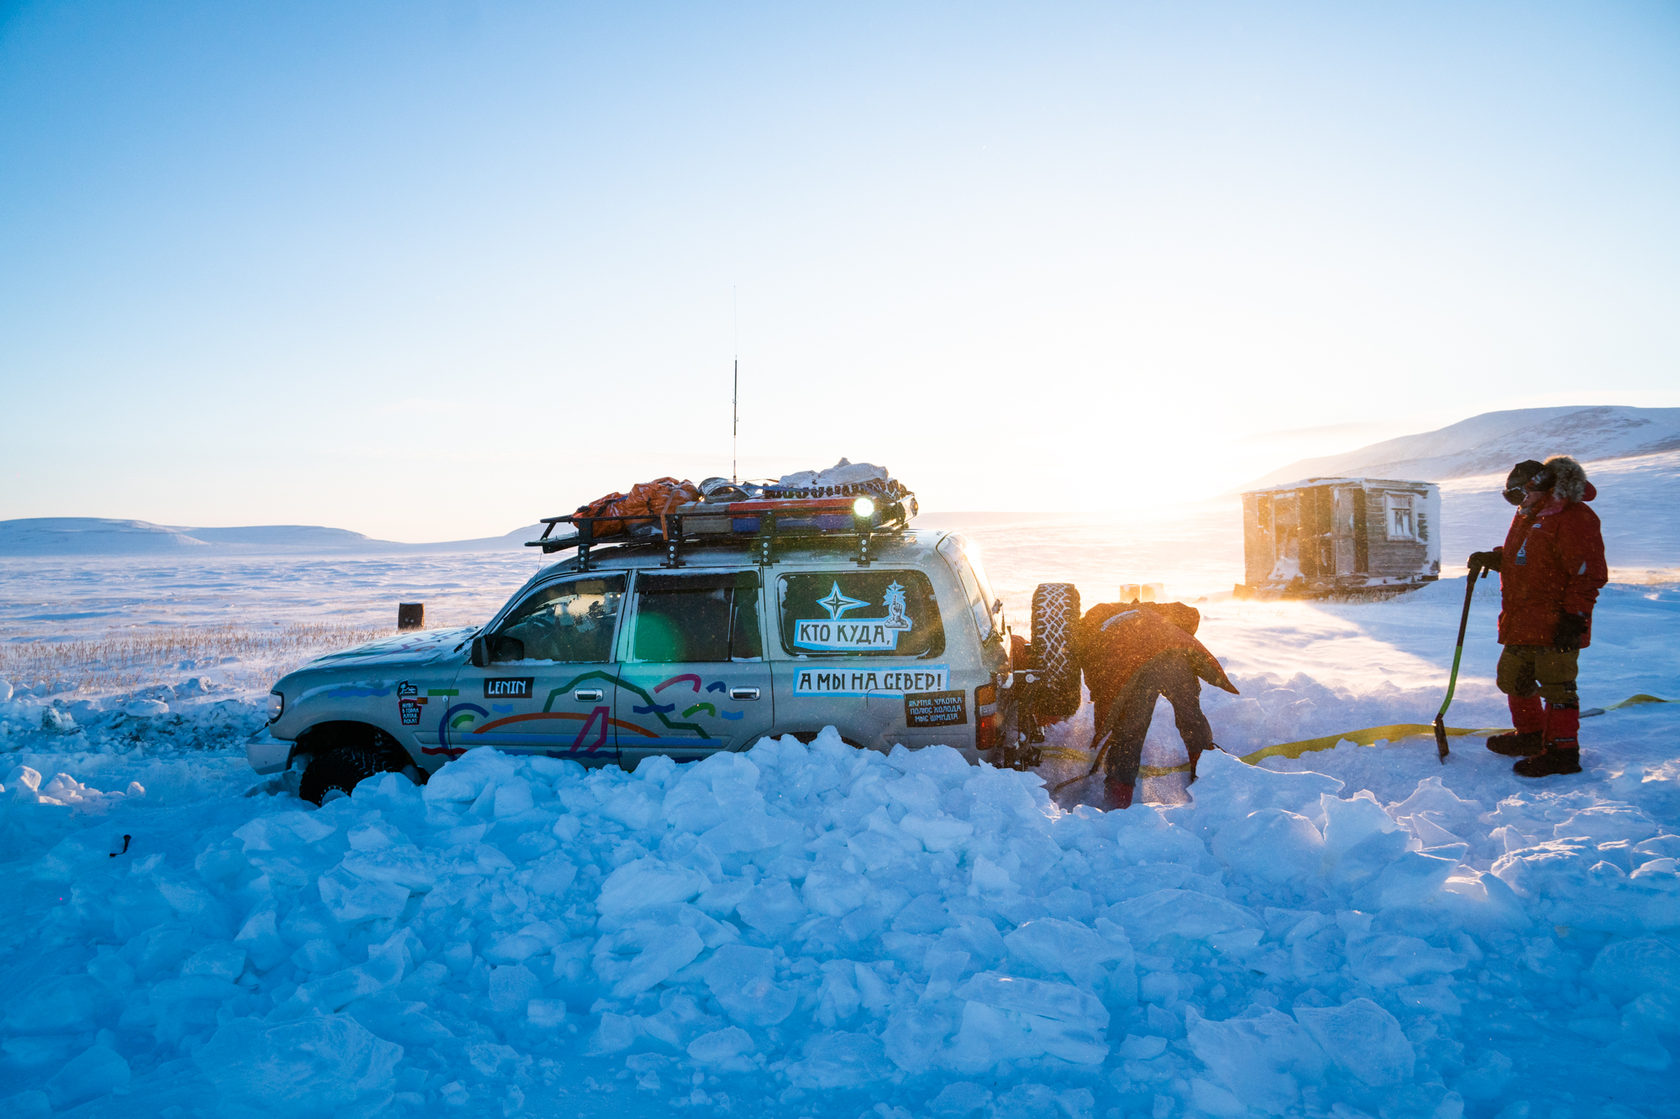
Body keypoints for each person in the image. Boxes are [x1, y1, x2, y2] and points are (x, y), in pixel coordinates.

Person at [1467, 455, 1607, 777]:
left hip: (1557, 621)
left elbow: (1589, 573)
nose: (1516, 503)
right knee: (1513, 677)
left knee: (1557, 686)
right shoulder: (1529, 514)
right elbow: (1526, 556)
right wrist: (1495, 558)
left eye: (1518, 495)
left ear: (1539, 487)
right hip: (1522, 618)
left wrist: (1575, 617)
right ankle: (1530, 735)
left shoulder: (1574, 517)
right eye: (1510, 498)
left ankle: (1562, 752)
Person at [1074, 601, 1239, 809]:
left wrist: (1111, 714)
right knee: (1191, 718)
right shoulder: (1150, 609)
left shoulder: (1091, 628)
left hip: (1133, 666)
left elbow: (1098, 675)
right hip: (1173, 653)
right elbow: (1188, 613)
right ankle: (1207, 778)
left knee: (1129, 734)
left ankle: (1117, 802)